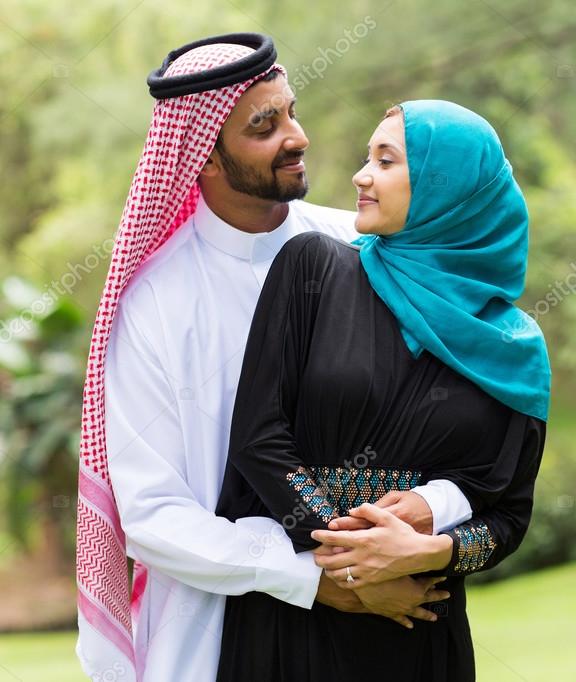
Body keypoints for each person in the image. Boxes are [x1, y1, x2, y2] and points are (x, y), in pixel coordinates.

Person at [76, 35, 470, 682]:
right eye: (265, 126)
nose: (297, 135)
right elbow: (153, 516)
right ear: (200, 155)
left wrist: (413, 532)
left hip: (390, 618)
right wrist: (315, 578)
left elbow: (451, 425)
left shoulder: (361, 248)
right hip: (215, 630)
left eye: (290, 112)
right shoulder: (156, 304)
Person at [214, 100, 550, 681]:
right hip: (294, 622)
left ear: (454, 191)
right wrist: (352, 567)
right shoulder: (314, 269)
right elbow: (258, 438)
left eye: (386, 161)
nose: (360, 175)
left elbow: (508, 516)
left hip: (417, 627)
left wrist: (432, 552)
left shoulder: (511, 347)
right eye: (367, 156)